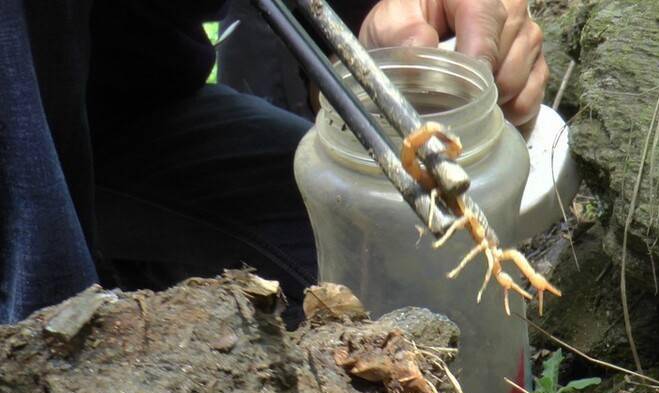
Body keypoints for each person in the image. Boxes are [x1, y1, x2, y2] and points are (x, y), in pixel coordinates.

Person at [0, 0, 546, 324]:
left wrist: (373, 17)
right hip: (18, 118)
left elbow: (337, 37)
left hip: (126, 106)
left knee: (379, 283)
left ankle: (131, 276)